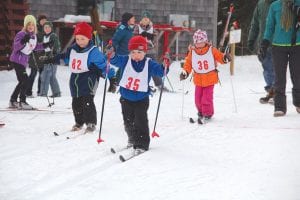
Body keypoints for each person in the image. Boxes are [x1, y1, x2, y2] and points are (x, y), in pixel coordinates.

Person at [107, 35, 169, 155]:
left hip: (141, 99)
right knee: (128, 121)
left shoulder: (149, 63)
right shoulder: (126, 60)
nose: (136, 55)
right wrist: (112, 53)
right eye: (133, 52)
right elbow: (115, 60)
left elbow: (160, 72)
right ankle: (132, 139)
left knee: (140, 121)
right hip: (125, 98)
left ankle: (142, 144)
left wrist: (165, 65)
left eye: (139, 52)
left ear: (145, 52)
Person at [63, 22, 111, 132]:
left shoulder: (93, 51)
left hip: (89, 79)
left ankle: (91, 123)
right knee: (76, 102)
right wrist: (53, 59)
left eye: (83, 39)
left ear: (89, 38)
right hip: (75, 80)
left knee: (87, 101)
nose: (80, 42)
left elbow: (104, 65)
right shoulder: (72, 49)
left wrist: (111, 78)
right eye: (78, 39)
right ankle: (79, 122)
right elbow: (66, 59)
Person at [179, 29, 231, 123]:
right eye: (197, 42)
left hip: (210, 79)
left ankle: (208, 113)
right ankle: (201, 112)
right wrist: (185, 72)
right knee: (197, 99)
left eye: (201, 42)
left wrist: (225, 58)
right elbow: (188, 63)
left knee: (206, 98)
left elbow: (220, 57)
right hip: (198, 79)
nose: (198, 44)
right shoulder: (192, 52)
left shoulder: (211, 50)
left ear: (205, 41)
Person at [259, 0, 300, 117]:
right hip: (278, 46)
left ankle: (298, 102)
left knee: (297, 76)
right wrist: (264, 43)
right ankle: (280, 107)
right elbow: (270, 26)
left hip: (297, 45)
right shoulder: (275, 6)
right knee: (279, 78)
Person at [9, 15, 51, 109]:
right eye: (28, 24)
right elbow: (15, 47)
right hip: (17, 60)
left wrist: (44, 45)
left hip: (23, 62)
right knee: (25, 80)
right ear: (25, 25)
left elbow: (34, 47)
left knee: (22, 81)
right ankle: (22, 101)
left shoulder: (33, 36)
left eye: (32, 24)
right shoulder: (21, 34)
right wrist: (23, 41)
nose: (30, 26)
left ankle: (13, 100)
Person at [247, 0, 276, 104]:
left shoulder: (280, 3)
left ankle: (275, 92)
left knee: (275, 69)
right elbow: (255, 24)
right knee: (267, 69)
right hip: (263, 44)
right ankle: (271, 91)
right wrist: (251, 39)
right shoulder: (260, 4)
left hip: (278, 43)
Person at [134, 16, 169, 92]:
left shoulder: (153, 29)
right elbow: (133, 39)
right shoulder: (137, 28)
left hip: (150, 52)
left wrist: (151, 37)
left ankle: (159, 84)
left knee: (154, 68)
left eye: (147, 19)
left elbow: (155, 41)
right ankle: (141, 85)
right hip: (140, 52)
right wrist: (140, 36)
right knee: (140, 69)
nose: (145, 20)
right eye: (144, 18)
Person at [109, 12, 136, 93]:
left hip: (128, 52)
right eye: (133, 18)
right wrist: (112, 49)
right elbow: (115, 40)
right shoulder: (122, 29)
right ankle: (119, 85)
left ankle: (115, 84)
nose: (134, 19)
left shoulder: (129, 28)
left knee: (123, 69)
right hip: (122, 52)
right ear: (128, 20)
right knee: (124, 69)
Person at [26, 14, 47, 97]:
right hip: (35, 55)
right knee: (33, 74)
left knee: (42, 75)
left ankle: (40, 91)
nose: (44, 22)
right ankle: (28, 91)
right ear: (39, 21)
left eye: (45, 20)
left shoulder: (46, 29)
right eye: (42, 20)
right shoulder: (35, 29)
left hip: (42, 56)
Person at [39, 21, 61, 97]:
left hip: (52, 58)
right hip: (47, 57)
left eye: (48, 27)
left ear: (51, 28)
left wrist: (53, 54)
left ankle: (43, 93)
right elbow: (44, 48)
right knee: (52, 76)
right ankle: (56, 92)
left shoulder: (53, 36)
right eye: (45, 27)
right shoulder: (44, 36)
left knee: (46, 75)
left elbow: (57, 46)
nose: (47, 29)